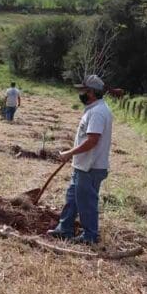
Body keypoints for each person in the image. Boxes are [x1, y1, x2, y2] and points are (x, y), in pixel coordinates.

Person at [48, 75, 114, 245]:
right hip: (82, 165)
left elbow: (92, 141)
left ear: (91, 92)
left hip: (91, 167)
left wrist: (69, 153)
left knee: (86, 203)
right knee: (72, 199)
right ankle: (64, 229)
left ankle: (90, 236)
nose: (81, 93)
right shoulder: (94, 109)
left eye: (83, 90)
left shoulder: (98, 112)